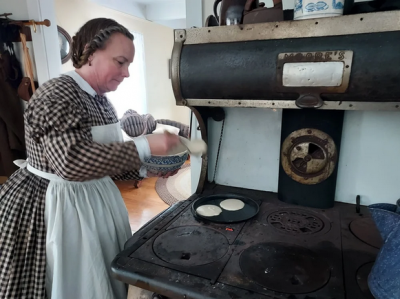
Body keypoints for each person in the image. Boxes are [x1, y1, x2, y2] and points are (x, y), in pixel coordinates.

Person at [0, 18, 179, 299]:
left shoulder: (101, 101)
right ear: (90, 52)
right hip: (58, 206)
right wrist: (145, 145)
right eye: (120, 62)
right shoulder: (57, 93)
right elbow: (69, 162)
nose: (127, 73)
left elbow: (103, 160)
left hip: (94, 201)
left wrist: (149, 170)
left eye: (129, 64)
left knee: (103, 273)